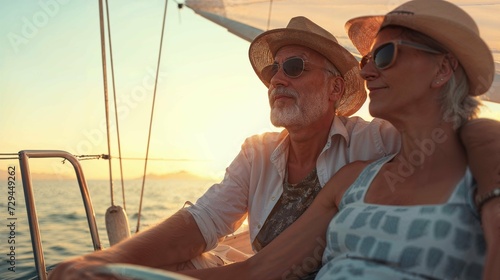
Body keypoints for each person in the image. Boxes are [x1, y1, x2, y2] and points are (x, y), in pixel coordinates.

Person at [48, 16, 401, 279]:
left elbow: (440, 126)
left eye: (294, 67)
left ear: (335, 89)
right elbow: (202, 222)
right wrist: (105, 259)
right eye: (273, 70)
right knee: (159, 263)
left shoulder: (375, 142)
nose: (277, 78)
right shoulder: (257, 153)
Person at [179, 1, 500, 279]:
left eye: (385, 55)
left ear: (442, 68)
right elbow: (256, 272)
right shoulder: (353, 179)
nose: (366, 72)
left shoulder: (482, 170)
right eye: (365, 60)